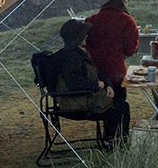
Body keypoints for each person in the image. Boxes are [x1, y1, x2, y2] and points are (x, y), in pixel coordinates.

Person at [52, 18, 127, 146]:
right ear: (77, 37)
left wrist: (107, 84)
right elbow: (73, 82)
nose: (86, 36)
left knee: (118, 104)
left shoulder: (75, 53)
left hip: (82, 99)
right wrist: (95, 85)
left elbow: (95, 72)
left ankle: (111, 139)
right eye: (83, 34)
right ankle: (119, 144)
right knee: (121, 108)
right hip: (77, 105)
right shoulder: (72, 58)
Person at [85, 0, 139, 141]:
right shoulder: (127, 21)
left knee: (102, 103)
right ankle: (117, 137)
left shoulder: (91, 20)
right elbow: (130, 49)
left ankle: (107, 133)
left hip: (94, 70)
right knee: (118, 102)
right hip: (115, 71)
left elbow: (84, 43)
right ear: (124, 5)